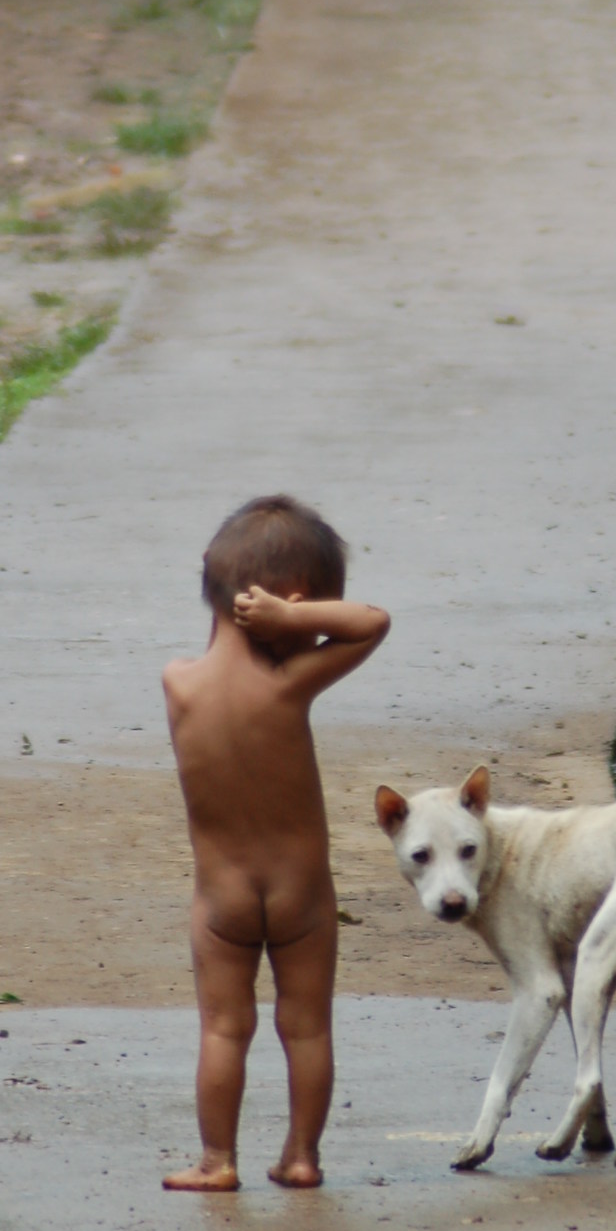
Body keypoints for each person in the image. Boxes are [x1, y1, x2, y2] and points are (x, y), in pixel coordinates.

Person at [161, 494, 389, 1190]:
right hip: (301, 897)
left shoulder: (179, 685)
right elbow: (372, 624)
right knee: (306, 1029)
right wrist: (298, 620)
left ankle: (216, 1161)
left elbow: (218, 639)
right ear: (286, 603)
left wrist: (234, 594)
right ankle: (300, 1158)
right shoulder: (290, 684)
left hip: (221, 898)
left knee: (224, 1030)